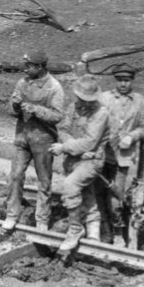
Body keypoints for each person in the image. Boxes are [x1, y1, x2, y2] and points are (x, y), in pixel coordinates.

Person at [2, 50, 65, 231]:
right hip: (22, 137)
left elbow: (57, 115)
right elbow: (11, 111)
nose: (25, 70)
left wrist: (36, 109)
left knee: (44, 180)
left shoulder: (54, 87)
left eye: (29, 66)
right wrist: (14, 105)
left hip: (44, 140)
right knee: (15, 175)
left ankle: (42, 220)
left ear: (40, 67)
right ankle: (12, 214)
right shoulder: (22, 83)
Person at [49, 74, 110, 253]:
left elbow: (90, 142)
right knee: (87, 194)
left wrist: (65, 147)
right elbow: (63, 128)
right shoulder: (73, 107)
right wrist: (70, 147)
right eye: (81, 99)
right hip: (75, 159)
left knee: (70, 185)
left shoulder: (101, 114)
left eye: (87, 100)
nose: (83, 103)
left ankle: (75, 229)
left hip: (92, 161)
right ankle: (93, 235)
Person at [97, 64, 144, 246]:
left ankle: (118, 231)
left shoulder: (139, 101)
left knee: (115, 197)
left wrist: (131, 136)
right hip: (102, 154)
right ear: (115, 81)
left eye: (126, 80)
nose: (123, 84)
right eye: (120, 80)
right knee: (96, 193)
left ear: (132, 81)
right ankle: (104, 233)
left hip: (122, 157)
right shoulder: (104, 98)